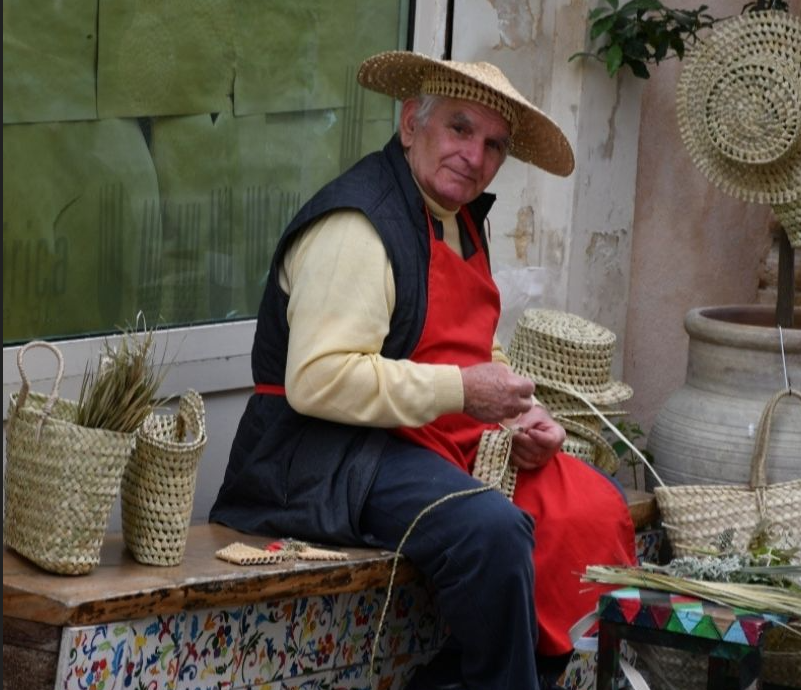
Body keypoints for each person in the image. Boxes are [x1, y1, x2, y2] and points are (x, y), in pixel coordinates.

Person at [210, 50, 635, 690]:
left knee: (592, 507)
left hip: (422, 434)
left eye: (494, 145)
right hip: (317, 456)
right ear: (412, 122)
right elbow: (318, 380)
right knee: (489, 530)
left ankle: (510, 677)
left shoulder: (458, 215)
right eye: (459, 129)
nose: (476, 155)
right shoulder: (359, 224)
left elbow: (467, 346)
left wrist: (523, 412)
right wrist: (464, 391)